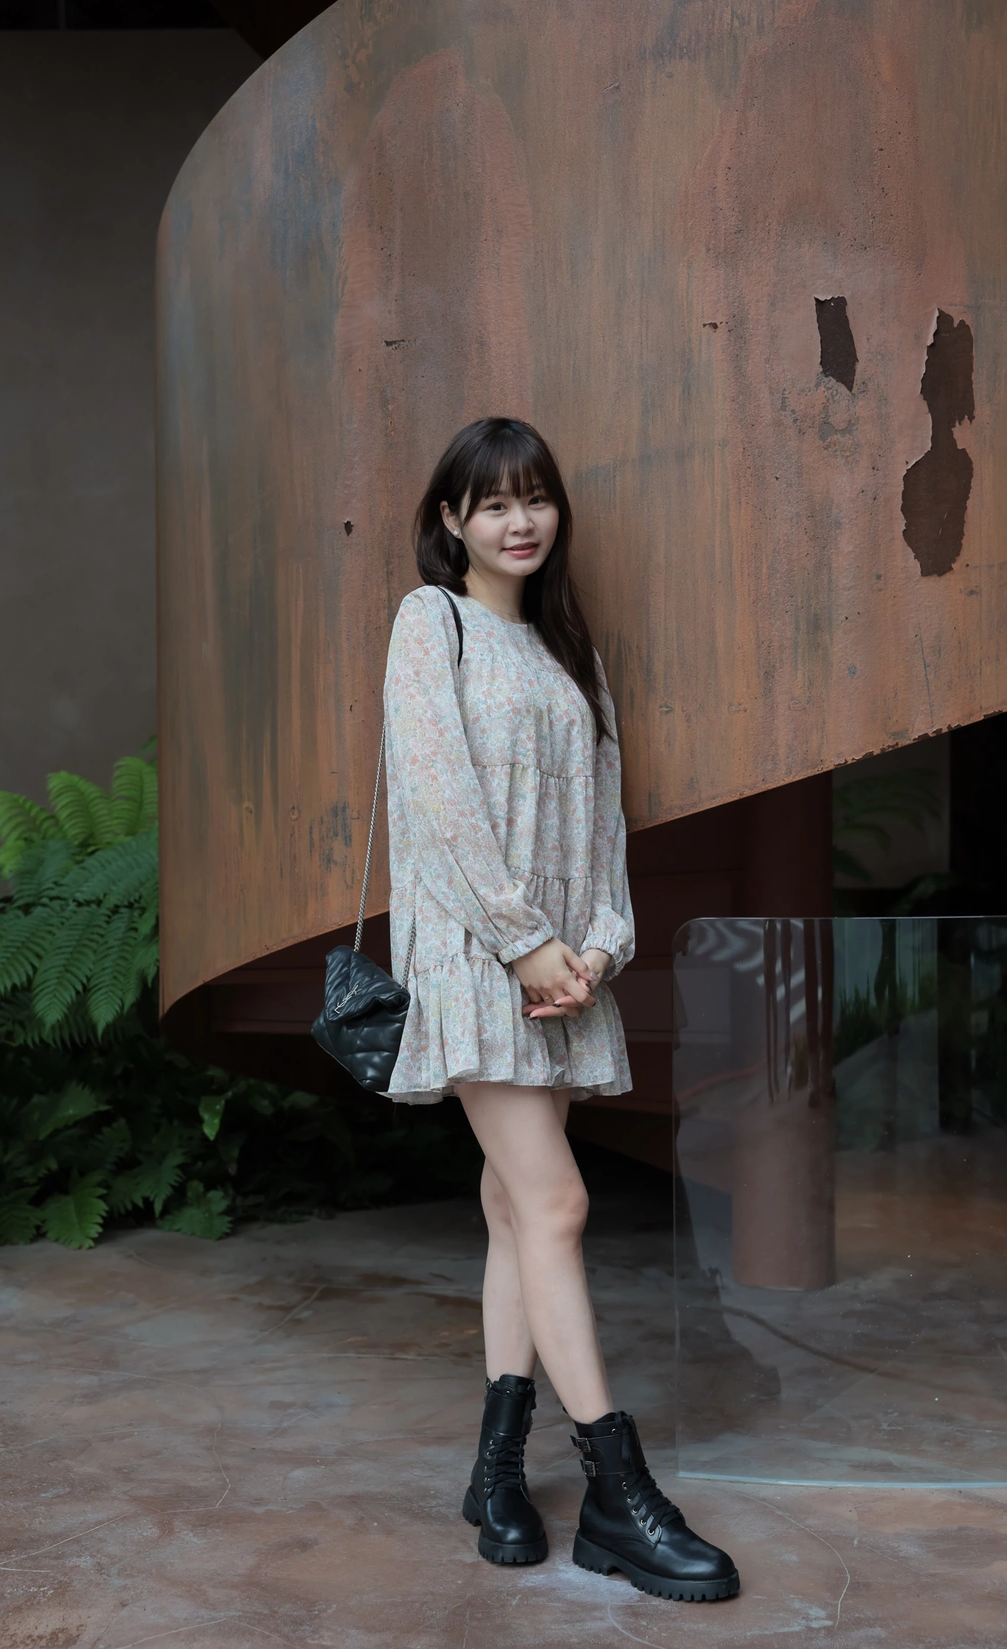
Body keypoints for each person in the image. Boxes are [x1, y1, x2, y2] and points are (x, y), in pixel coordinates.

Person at [381, 417, 739, 1602]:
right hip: (475, 958)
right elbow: (435, 796)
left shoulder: (570, 654)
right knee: (558, 1202)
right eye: (491, 502)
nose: (517, 520)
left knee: (510, 1209)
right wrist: (522, 940)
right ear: (450, 520)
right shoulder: (429, 622)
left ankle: (494, 1472)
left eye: (533, 497)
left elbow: (600, 828)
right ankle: (615, 1493)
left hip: (559, 977)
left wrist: (595, 945)